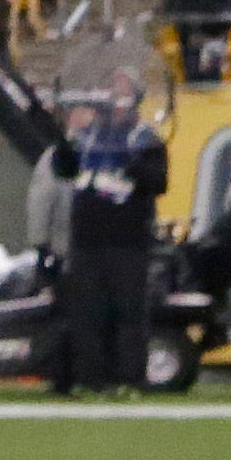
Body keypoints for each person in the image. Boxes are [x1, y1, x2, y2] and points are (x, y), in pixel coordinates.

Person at [46, 76, 167, 396]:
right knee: (87, 312)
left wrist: (131, 163)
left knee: (129, 313)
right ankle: (90, 379)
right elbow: (63, 169)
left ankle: (130, 379)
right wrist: (65, 135)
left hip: (129, 241)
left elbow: (158, 182)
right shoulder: (86, 136)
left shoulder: (145, 139)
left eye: (122, 92)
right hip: (88, 241)